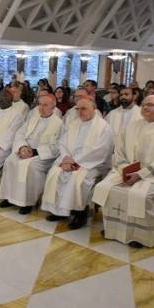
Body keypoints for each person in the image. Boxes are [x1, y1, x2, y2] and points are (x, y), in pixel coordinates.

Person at [93, 95, 154, 248]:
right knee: (106, 187)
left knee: (139, 195)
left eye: (151, 105)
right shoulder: (132, 126)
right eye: (144, 104)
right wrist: (124, 169)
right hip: (126, 171)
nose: (146, 107)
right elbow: (119, 150)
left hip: (152, 176)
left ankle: (139, 236)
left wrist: (141, 174)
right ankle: (112, 230)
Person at [41, 96, 113, 229]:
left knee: (77, 177)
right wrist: (66, 159)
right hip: (71, 160)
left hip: (93, 164)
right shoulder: (75, 123)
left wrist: (75, 161)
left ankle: (81, 212)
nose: (80, 112)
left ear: (94, 108)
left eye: (84, 108)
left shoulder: (103, 127)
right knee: (55, 172)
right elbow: (63, 143)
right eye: (78, 109)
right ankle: (59, 211)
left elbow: (100, 151)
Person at [0, 94, 64, 213]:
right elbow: (20, 134)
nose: (41, 108)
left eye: (45, 105)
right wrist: (22, 147)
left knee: (30, 166)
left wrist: (35, 152)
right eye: (40, 104)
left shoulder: (59, 124)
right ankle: (9, 197)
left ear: (53, 107)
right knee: (10, 161)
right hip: (25, 150)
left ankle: (27, 202)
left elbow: (58, 146)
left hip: (43, 156)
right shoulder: (33, 119)